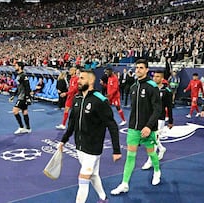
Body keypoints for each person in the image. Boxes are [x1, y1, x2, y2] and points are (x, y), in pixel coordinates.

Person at [58, 69, 122, 203]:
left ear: (91, 81)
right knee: (93, 175)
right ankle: (103, 198)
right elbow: (72, 123)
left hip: (93, 148)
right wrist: (64, 140)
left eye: (82, 78)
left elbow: (112, 125)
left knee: (83, 179)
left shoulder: (100, 100)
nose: (78, 81)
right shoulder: (77, 98)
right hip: (79, 145)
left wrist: (116, 150)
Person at [111, 59, 162, 195]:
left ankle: (157, 171)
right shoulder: (134, 87)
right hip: (134, 128)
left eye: (141, 68)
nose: (138, 70)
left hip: (148, 129)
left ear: (146, 70)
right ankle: (124, 184)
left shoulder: (152, 87)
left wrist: (149, 126)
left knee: (151, 153)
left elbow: (157, 109)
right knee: (130, 156)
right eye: (137, 67)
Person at [142, 70, 173, 170]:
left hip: (160, 118)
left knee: (153, 139)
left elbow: (169, 107)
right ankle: (162, 148)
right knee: (152, 138)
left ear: (162, 78)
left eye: (158, 76)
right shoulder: (150, 88)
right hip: (149, 117)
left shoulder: (166, 91)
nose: (155, 78)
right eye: (154, 76)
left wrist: (171, 120)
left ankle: (150, 161)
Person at [9, 62, 32, 134]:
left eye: (16, 65)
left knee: (15, 111)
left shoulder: (23, 75)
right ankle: (28, 128)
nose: (14, 67)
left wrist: (27, 97)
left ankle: (21, 127)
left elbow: (27, 87)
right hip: (21, 95)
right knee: (24, 112)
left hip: (23, 97)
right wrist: (13, 95)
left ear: (20, 67)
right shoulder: (18, 75)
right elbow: (19, 87)